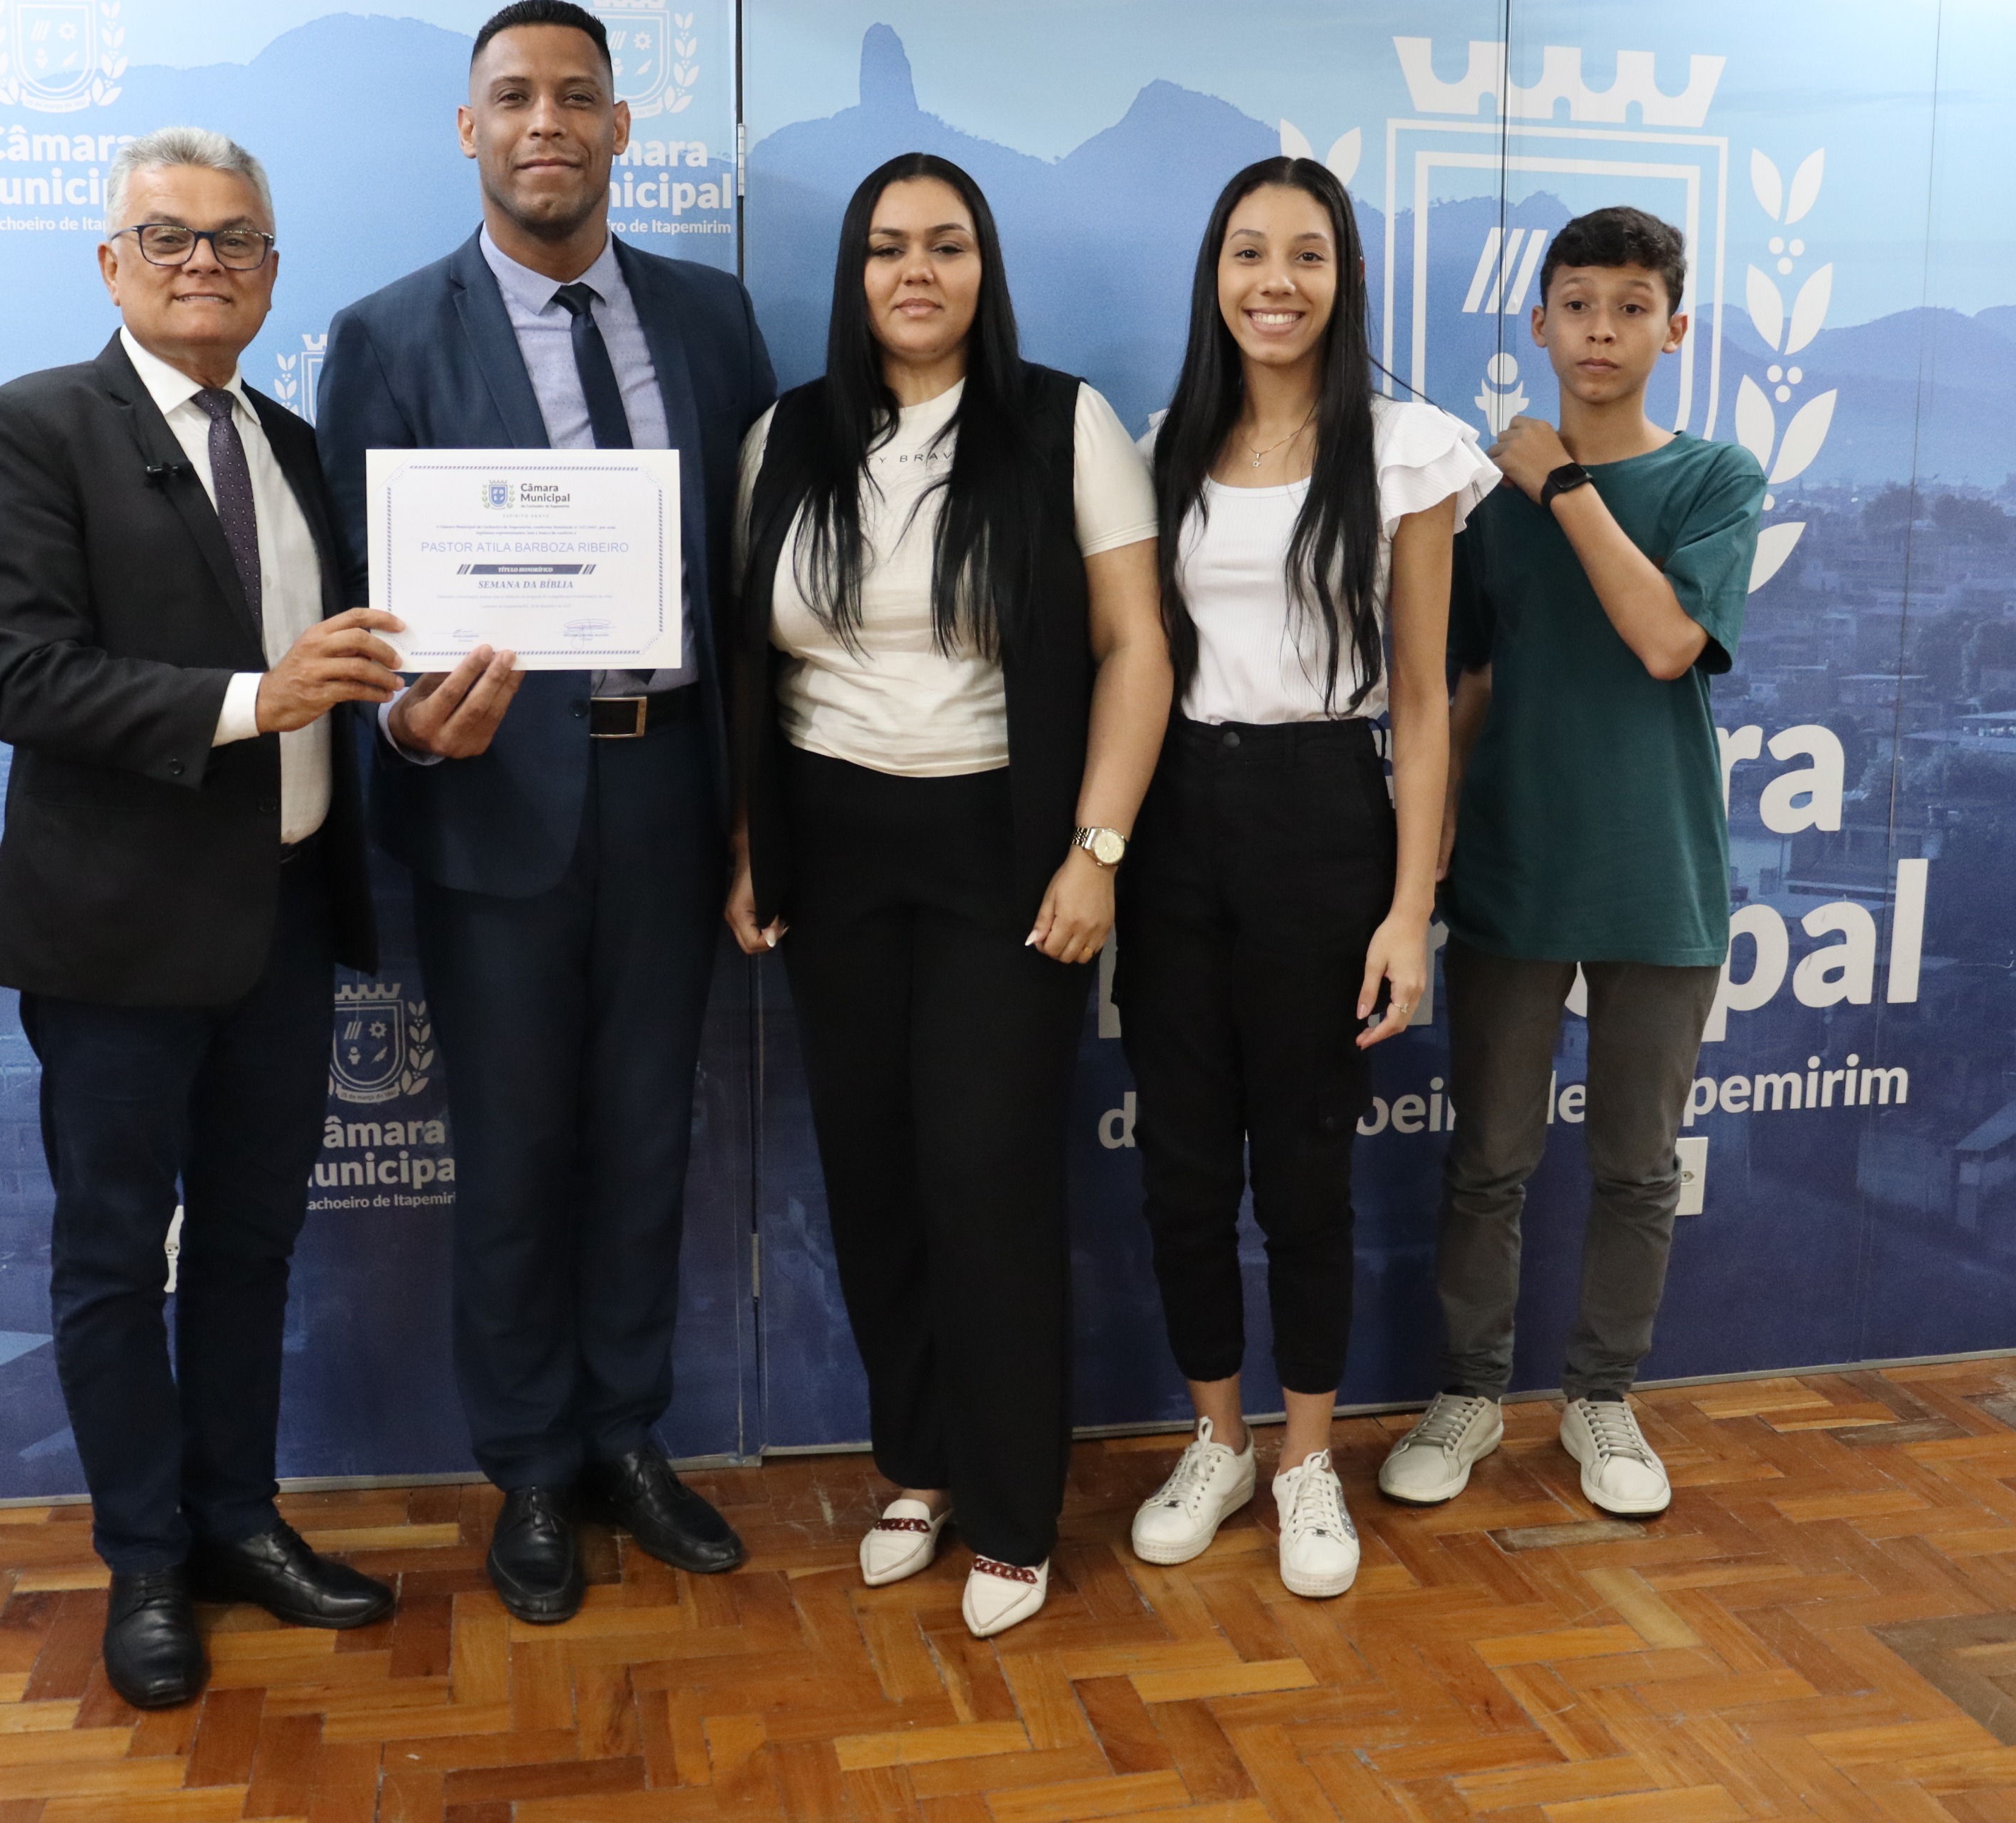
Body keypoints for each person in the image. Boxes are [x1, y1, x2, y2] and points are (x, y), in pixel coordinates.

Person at [314, 0, 777, 1626]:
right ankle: (525, 1465)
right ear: (469, 129)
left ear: (620, 126)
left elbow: (751, 583)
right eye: (512, 95)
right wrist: (406, 724)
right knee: (515, 1150)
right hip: (492, 795)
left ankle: (623, 1438)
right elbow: (364, 600)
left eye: (577, 95)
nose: (546, 123)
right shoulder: (384, 335)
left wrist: (753, 808)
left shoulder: (712, 320)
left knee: (648, 1134)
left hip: (672, 783)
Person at [0, 126, 402, 1710]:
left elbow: (352, 674)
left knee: (253, 1248)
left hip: (285, 919)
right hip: (116, 936)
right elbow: (24, 675)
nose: (204, 261)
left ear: (274, 273)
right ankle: (144, 1561)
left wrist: (417, 710)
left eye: (236, 239)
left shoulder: (295, 443)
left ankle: (237, 1521)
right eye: (169, 235)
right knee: (111, 1258)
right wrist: (250, 699)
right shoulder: (28, 429)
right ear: (110, 262)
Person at [725, 153, 1170, 1639]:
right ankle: (914, 1463)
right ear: (853, 274)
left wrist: (1097, 848)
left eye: (947, 245)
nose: (916, 271)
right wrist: (751, 845)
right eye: (887, 247)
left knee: (986, 1178)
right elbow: (758, 665)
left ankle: (1012, 1509)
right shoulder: (785, 435)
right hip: (833, 849)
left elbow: (1135, 644)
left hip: (1006, 850)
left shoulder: (1059, 422)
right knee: (872, 1175)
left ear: (985, 269)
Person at [1117, 158, 1496, 1596]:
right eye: (1248, 251)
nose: (1275, 281)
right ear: (1213, 274)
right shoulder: (1166, 444)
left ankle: (1306, 1460)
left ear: (1346, 280)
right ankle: (1217, 1439)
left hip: (1324, 814)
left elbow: (1422, 700)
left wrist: (1408, 909)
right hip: (1173, 821)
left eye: (1308, 255)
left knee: (1305, 1174)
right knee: (1181, 1168)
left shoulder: (1408, 451)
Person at [1375, 206, 1764, 1519]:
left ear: (1675, 329)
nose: (1603, 331)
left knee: (1638, 1165)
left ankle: (1603, 1396)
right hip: (1516, 866)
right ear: (1538, 322)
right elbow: (1468, 682)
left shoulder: (1714, 478)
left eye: (1632, 308)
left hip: (1660, 871)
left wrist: (1561, 485)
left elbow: (1666, 642)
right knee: (1488, 1156)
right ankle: (1471, 1390)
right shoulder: (1483, 501)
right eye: (1580, 304)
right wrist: (1426, 838)